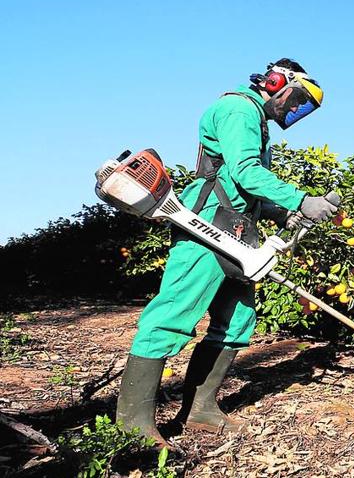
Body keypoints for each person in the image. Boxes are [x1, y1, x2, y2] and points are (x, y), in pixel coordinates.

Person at [115, 59, 339, 447]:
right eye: (297, 100)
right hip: (206, 222)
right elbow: (246, 171)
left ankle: (200, 410)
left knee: (236, 321)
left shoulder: (256, 121)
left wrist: (280, 212)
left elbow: (244, 187)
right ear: (276, 82)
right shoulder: (239, 109)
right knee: (171, 316)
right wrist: (302, 200)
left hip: (238, 227)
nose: (293, 111)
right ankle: (134, 426)